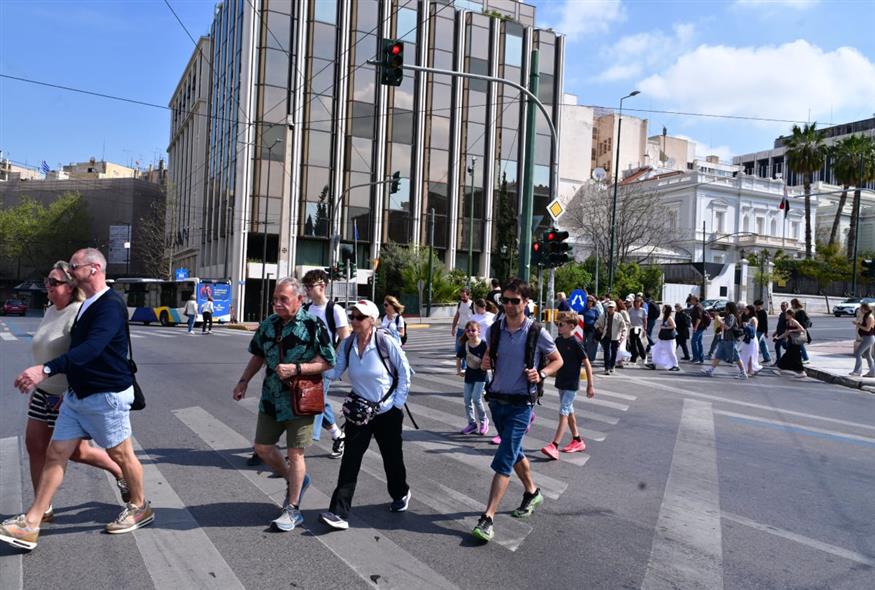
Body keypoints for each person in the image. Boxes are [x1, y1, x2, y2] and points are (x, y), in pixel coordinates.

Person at [4, 248, 153, 551]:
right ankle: (31, 523)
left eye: (75, 266)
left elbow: (91, 349)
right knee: (56, 454)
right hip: (78, 395)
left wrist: (46, 369)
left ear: (95, 268)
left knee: (122, 455)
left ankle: (140, 507)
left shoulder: (110, 305)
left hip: (106, 395)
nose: (70, 271)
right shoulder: (89, 304)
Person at [17, 262, 129, 525]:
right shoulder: (49, 311)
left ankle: (118, 469)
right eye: (47, 281)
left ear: (71, 286)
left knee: (76, 452)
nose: (48, 287)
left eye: (54, 283)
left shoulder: (78, 313)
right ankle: (42, 508)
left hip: (65, 394)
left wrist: (66, 390)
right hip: (43, 391)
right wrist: (39, 383)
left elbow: (82, 355)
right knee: (34, 445)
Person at [233, 277, 335, 532]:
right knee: (263, 447)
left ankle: (292, 508)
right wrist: (243, 381)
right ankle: (296, 479)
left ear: (300, 300)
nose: (277, 304)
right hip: (271, 398)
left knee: (295, 453)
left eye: (283, 299)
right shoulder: (268, 325)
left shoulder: (313, 325)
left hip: (300, 400)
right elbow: (258, 355)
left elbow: (328, 361)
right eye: (275, 299)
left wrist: (297, 368)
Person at [471, 279, 562, 543]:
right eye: (505, 300)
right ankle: (532, 492)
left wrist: (541, 372)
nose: (509, 305)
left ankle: (487, 518)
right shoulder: (495, 330)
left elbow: (558, 360)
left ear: (525, 302)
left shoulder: (536, 331)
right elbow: (489, 356)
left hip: (522, 403)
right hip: (497, 400)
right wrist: (486, 360)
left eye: (515, 300)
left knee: (505, 457)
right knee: (515, 451)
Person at [320, 300, 412, 531]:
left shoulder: (385, 341)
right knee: (350, 461)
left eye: (359, 317)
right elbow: (336, 370)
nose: (353, 321)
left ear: (371, 320)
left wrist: (396, 404)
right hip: (360, 413)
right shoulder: (349, 343)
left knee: (392, 459)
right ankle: (339, 512)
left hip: (386, 413)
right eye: (352, 316)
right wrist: (310, 367)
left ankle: (401, 492)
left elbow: (404, 373)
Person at [302, 268, 351, 459]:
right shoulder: (305, 309)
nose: (306, 290)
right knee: (320, 402)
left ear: (322, 286)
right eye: (305, 286)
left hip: (324, 366)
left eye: (310, 286)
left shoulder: (334, 310)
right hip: (306, 365)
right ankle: (338, 435)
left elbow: (345, 340)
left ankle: (302, 446)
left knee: (312, 402)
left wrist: (331, 361)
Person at [540, 311, 595, 460]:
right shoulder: (558, 341)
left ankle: (554, 445)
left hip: (571, 383)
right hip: (561, 382)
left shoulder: (576, 343)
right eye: (558, 324)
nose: (558, 326)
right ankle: (577, 440)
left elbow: (587, 364)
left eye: (561, 324)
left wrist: (590, 385)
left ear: (571, 326)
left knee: (563, 410)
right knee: (569, 411)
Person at [455, 320, 489, 435]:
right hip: (469, 375)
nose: (470, 332)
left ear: (479, 331)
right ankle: (472, 424)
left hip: (481, 375)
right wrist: (459, 370)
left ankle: (484, 421)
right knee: (467, 400)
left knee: (476, 398)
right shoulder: (465, 344)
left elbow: (491, 358)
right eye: (468, 330)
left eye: (473, 330)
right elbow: (458, 358)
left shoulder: (484, 344)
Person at [701, 302, 746, 379]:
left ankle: (743, 372)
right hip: (725, 339)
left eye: (726, 307)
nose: (725, 308)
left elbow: (728, 327)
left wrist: (720, 321)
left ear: (729, 308)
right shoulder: (728, 315)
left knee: (736, 357)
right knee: (718, 355)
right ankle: (711, 370)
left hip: (730, 340)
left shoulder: (732, 316)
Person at [594, 300, 626, 375]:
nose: (610, 309)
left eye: (612, 307)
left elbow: (623, 326)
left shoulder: (618, 316)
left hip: (616, 336)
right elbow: (596, 324)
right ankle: (606, 368)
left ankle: (612, 366)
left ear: (615, 308)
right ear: (607, 308)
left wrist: (622, 335)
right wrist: (599, 328)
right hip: (606, 336)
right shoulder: (604, 315)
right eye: (609, 307)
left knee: (614, 352)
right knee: (607, 352)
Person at [776, 308, 806, 378]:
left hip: (795, 342)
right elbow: (786, 333)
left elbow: (802, 329)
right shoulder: (788, 322)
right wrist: (778, 338)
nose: (785, 316)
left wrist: (792, 330)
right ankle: (781, 368)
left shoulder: (794, 321)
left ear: (791, 315)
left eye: (787, 314)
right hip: (791, 342)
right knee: (788, 355)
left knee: (796, 357)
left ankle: (802, 372)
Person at [648, 305, 680, 371]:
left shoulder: (669, 317)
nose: (662, 309)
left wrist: (664, 327)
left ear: (667, 310)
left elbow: (674, 326)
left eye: (664, 308)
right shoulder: (664, 317)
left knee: (671, 352)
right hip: (662, 338)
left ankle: (675, 365)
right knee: (656, 349)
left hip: (669, 339)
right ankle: (653, 363)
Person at [850, 302, 875, 377]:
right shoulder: (866, 316)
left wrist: (858, 325)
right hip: (867, 338)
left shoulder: (869, 317)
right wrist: (858, 323)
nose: (860, 310)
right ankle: (872, 372)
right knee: (868, 355)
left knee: (857, 353)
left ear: (865, 309)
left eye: (861, 308)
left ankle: (857, 371)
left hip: (868, 338)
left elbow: (867, 329)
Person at [451, 287, 474, 367]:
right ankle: (463, 365)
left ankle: (464, 366)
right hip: (460, 329)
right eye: (461, 296)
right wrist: (453, 328)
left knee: (466, 348)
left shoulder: (472, 304)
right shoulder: (460, 304)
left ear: (468, 295)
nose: (462, 298)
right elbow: (457, 316)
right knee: (458, 348)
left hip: (468, 330)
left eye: (464, 296)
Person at [739, 305, 762, 376]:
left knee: (750, 354)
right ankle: (751, 369)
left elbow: (753, 330)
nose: (745, 311)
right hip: (748, 338)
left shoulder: (753, 319)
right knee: (747, 354)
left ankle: (750, 370)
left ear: (750, 310)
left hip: (751, 339)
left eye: (746, 310)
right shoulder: (750, 318)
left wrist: (746, 326)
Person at [627, 296, 648, 364]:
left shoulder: (643, 310)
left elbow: (645, 321)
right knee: (632, 343)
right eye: (635, 301)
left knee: (639, 343)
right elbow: (628, 318)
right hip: (632, 327)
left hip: (639, 328)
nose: (637, 303)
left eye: (638, 301)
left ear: (640, 302)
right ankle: (634, 357)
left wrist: (645, 329)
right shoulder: (630, 310)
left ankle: (643, 356)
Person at [790, 299, 811, 363]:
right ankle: (801, 357)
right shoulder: (795, 311)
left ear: (795, 304)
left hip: (800, 330)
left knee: (800, 345)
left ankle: (806, 358)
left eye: (792, 304)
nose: (791, 305)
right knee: (798, 345)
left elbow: (801, 322)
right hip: (797, 330)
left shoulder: (801, 311)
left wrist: (797, 329)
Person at [581, 296, 601, 363]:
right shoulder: (582, 310)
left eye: (591, 301)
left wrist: (597, 328)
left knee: (590, 344)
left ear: (593, 302)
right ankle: (583, 357)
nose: (589, 302)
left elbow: (598, 319)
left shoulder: (595, 310)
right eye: (588, 301)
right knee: (582, 344)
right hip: (583, 329)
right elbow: (579, 318)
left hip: (591, 329)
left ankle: (589, 358)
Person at [689, 296, 708, 364]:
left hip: (699, 327)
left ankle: (696, 357)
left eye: (691, 300)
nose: (690, 301)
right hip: (701, 327)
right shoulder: (698, 306)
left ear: (694, 300)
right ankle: (701, 358)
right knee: (699, 342)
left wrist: (695, 327)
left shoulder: (698, 307)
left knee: (694, 342)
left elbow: (699, 318)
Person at [614, 299, 632, 368]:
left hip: (623, 332)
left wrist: (621, 324)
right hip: (616, 332)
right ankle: (618, 361)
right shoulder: (616, 312)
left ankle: (620, 361)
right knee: (617, 346)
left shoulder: (623, 312)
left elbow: (628, 322)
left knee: (620, 346)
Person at [753, 299, 771, 364]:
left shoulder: (763, 312)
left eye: (757, 305)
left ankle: (754, 358)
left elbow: (766, 322)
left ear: (760, 305)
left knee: (756, 344)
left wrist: (766, 332)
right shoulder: (755, 312)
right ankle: (767, 358)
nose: (756, 307)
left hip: (761, 330)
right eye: (755, 305)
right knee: (763, 344)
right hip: (756, 330)